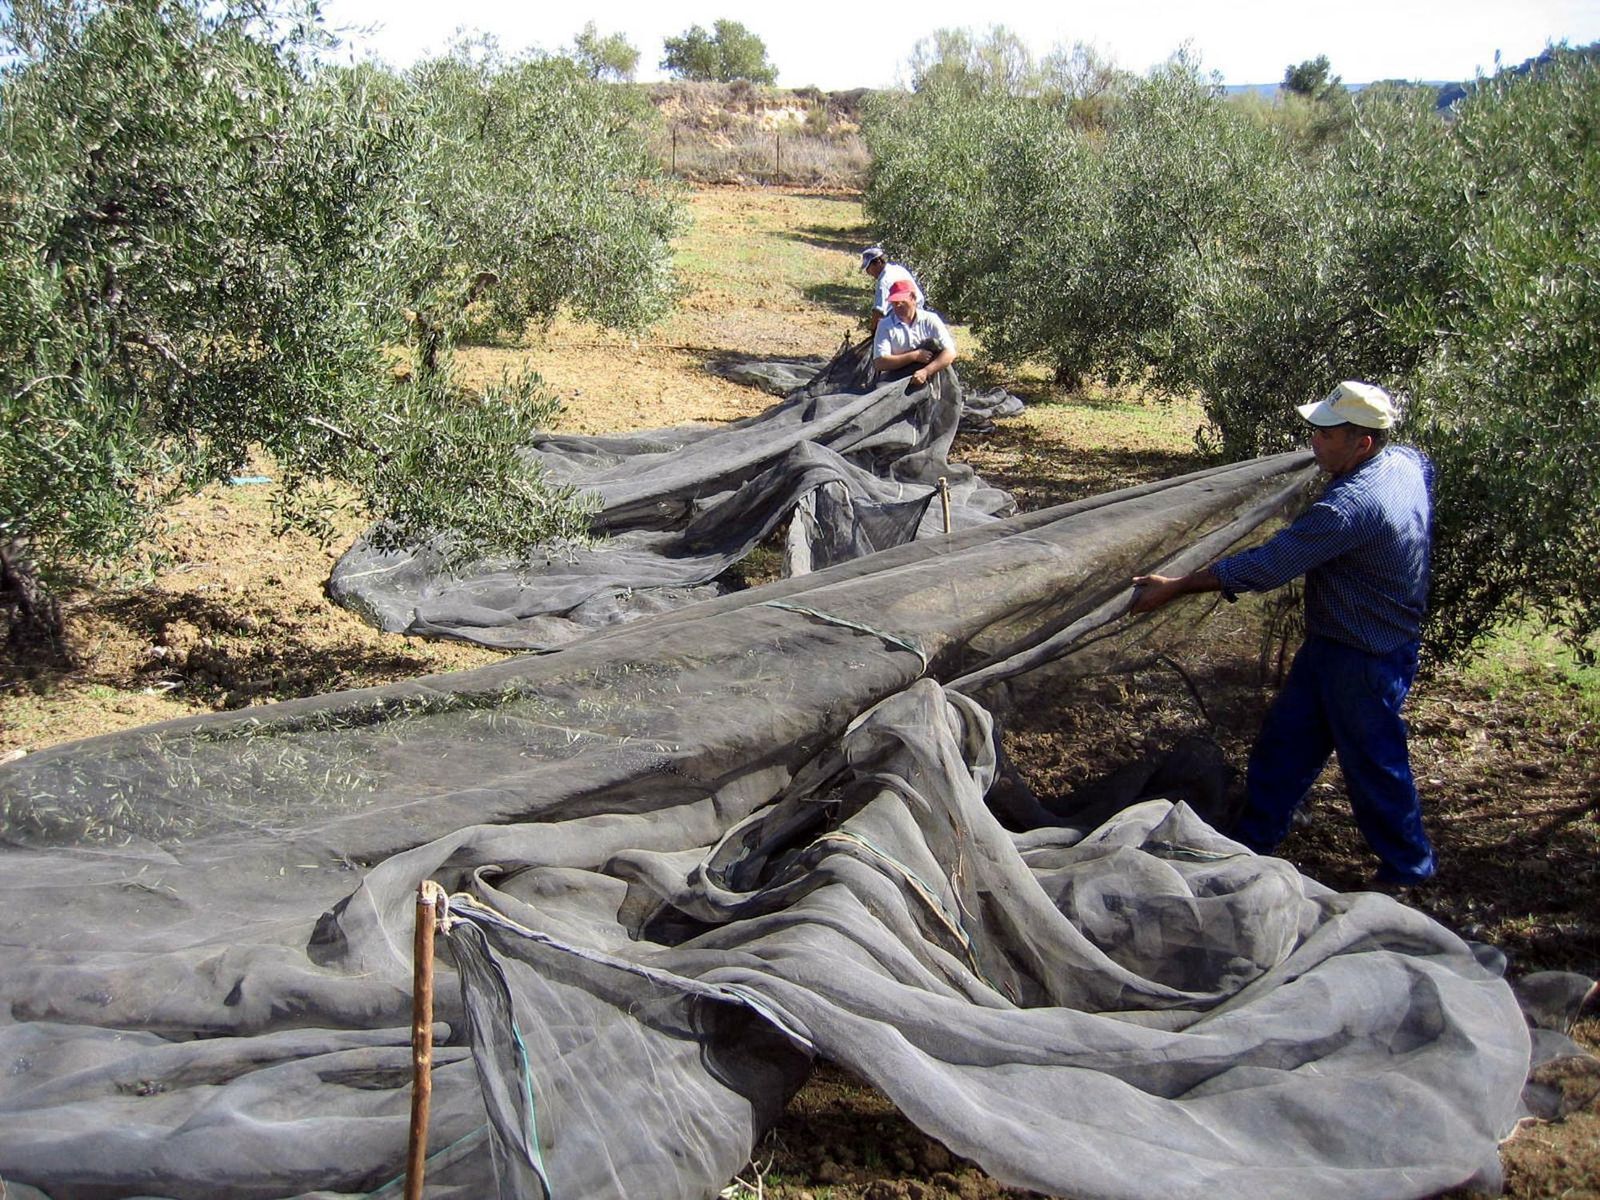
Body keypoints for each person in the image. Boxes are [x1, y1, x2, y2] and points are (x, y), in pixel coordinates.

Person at [1129, 381, 1437, 887]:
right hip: (1337, 644)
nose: (1314, 442)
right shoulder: (1405, 462)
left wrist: (1178, 585)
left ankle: (1408, 870)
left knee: (1375, 765)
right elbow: (1425, 473)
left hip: (1366, 658)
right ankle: (1253, 840)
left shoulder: (1349, 508)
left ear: (1361, 443)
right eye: (1315, 431)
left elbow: (1269, 566)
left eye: (1326, 435)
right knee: (1285, 744)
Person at [872, 278, 956, 389]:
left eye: (902, 301)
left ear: (913, 298)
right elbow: (880, 362)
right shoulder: (885, 325)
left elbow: (950, 353)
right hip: (895, 380)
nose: (898, 305)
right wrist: (914, 356)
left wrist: (926, 371)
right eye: (894, 302)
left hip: (932, 378)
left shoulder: (930, 320)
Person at [860, 246, 923, 329]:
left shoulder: (883, 282)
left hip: (902, 319)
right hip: (919, 312)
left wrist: (875, 332)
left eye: (868, 268)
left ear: (878, 262)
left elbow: (878, 312)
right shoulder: (898, 269)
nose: (868, 272)